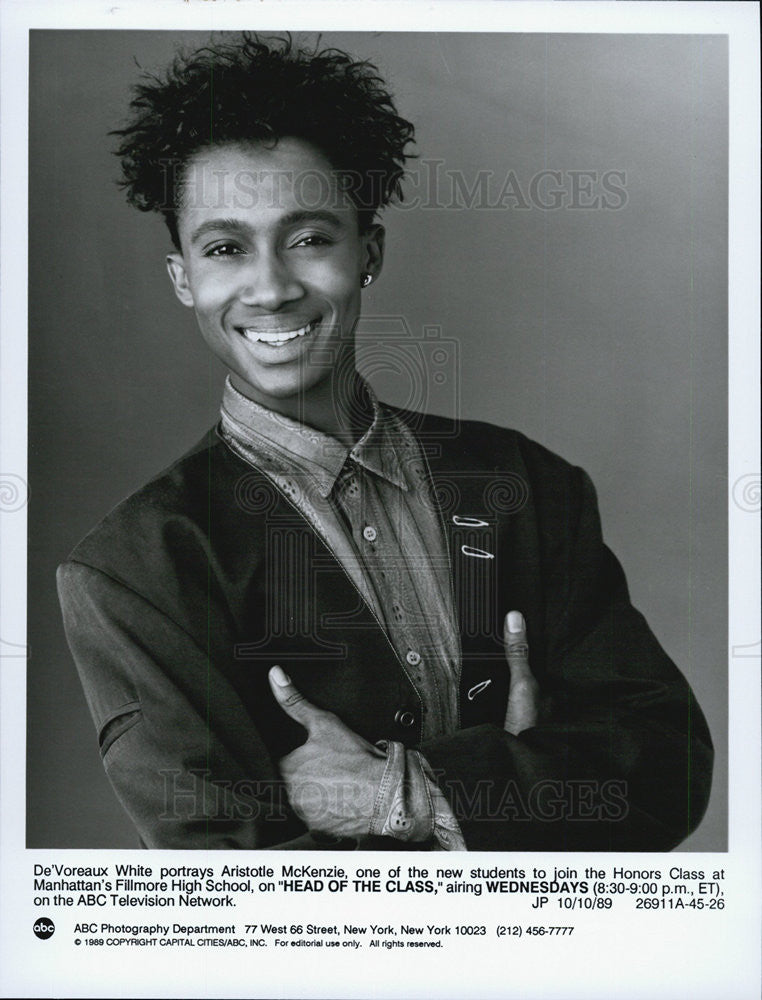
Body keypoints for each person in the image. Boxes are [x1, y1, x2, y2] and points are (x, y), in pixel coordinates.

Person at [57, 33, 713, 851]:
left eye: (310, 238)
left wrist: (404, 794)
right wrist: (525, 778)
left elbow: (666, 767)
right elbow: (225, 897)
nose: (270, 286)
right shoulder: (132, 571)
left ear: (369, 252)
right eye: (225, 248)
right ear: (183, 277)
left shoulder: (528, 485)